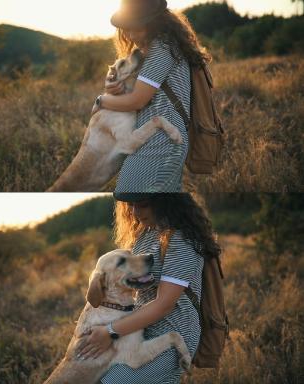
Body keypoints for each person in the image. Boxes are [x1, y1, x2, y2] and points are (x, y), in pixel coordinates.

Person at [74, 193, 220, 384]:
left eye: (142, 205)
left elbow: (164, 304)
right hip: (137, 331)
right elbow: (130, 287)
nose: (135, 213)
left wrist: (109, 331)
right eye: (131, 206)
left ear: (166, 202)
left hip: (174, 334)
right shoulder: (144, 234)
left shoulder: (181, 239)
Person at [91, 0, 211, 192]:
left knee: (129, 192)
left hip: (161, 142)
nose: (130, 35)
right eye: (126, 29)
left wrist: (102, 100)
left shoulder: (162, 49)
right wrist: (113, 85)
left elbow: (137, 100)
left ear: (153, 23)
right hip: (155, 139)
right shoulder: (159, 47)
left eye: (136, 28)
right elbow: (137, 90)